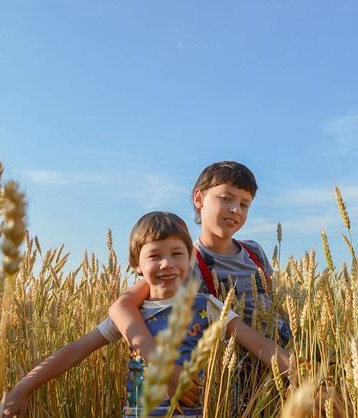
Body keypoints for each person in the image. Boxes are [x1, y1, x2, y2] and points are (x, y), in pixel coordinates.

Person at [2, 211, 289, 418]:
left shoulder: (208, 305)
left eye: (177, 254)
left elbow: (260, 345)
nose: (167, 264)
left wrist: (308, 379)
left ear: (190, 258)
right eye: (154, 256)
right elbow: (77, 349)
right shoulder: (133, 316)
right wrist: (23, 387)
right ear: (135, 264)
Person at [109, 161, 291, 408]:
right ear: (199, 199)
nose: (235, 209)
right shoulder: (182, 262)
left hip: (278, 363)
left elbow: (272, 304)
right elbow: (123, 306)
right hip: (232, 379)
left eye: (244, 204)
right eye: (226, 198)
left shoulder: (255, 252)